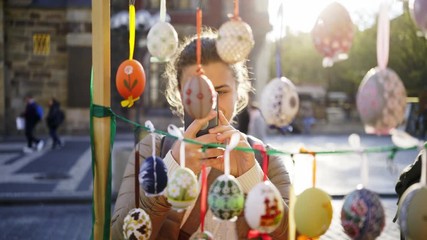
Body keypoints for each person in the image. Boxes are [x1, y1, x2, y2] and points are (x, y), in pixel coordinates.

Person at [112, 29, 291, 239]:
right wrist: (172, 169)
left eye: (221, 92)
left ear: (238, 92)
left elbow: (295, 233)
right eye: (197, 91)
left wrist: (252, 177)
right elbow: (120, 235)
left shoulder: (264, 158)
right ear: (179, 93)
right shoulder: (154, 151)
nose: (210, 103)